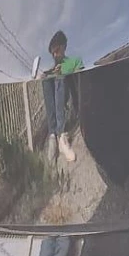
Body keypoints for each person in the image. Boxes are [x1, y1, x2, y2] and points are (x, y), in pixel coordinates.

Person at [41, 30, 82, 164]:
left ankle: (61, 134)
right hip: (50, 74)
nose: (55, 54)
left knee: (60, 79)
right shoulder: (51, 64)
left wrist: (62, 70)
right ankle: (53, 135)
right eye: (53, 52)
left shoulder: (71, 61)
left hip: (66, 91)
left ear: (64, 47)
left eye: (57, 50)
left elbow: (78, 68)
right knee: (46, 79)